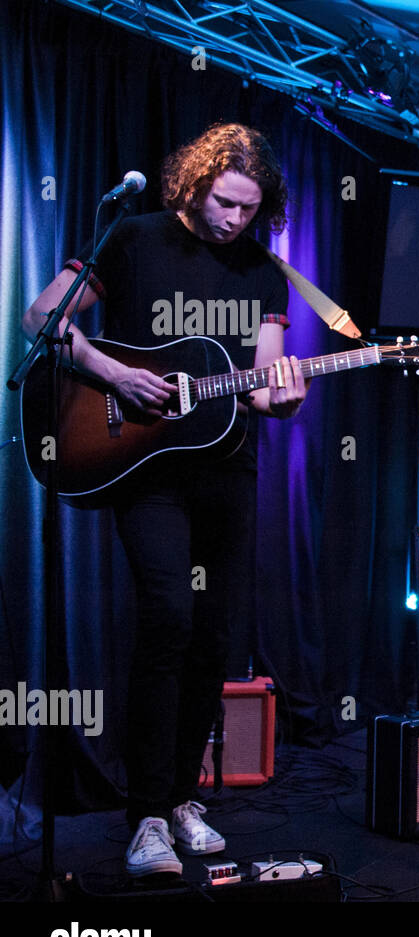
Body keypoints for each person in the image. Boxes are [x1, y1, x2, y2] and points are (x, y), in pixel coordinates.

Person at [21, 123, 309, 875]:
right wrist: (112, 374)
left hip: (226, 471)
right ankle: (145, 815)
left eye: (249, 208)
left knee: (215, 636)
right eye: (223, 203)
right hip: (143, 468)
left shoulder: (262, 274)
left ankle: (181, 798)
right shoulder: (135, 238)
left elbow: (265, 384)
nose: (233, 220)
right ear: (193, 185)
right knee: (167, 621)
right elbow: (42, 320)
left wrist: (285, 397)